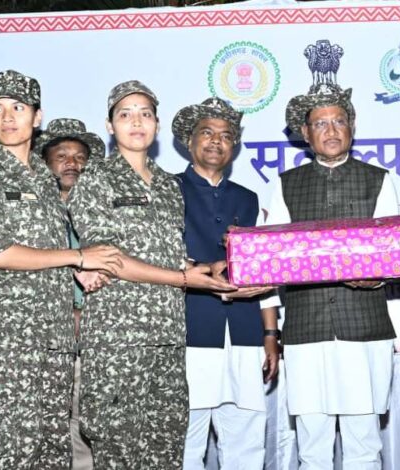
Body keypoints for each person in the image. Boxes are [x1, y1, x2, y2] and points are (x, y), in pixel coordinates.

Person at [69, 80, 234, 468]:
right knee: (118, 451)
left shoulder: (168, 185)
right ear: (110, 126)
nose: (136, 122)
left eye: (145, 114)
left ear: (157, 125)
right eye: (125, 114)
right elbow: (108, 259)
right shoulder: (95, 179)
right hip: (117, 341)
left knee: (166, 449)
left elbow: (168, 257)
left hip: (168, 338)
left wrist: (203, 269)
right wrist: (184, 280)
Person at [265, 79, 399, 469]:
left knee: (364, 445)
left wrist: (378, 277)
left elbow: (395, 253)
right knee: (312, 446)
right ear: (306, 134)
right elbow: (273, 258)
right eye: (320, 124)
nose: (331, 130)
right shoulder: (286, 185)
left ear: (352, 127)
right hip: (306, 330)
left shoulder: (379, 179)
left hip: (365, 328)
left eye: (339, 121)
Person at [0, 70, 122, 467]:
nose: (7, 117)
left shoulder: (45, 180)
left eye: (18, 108)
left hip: (56, 337)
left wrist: (79, 270)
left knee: (53, 448)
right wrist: (76, 257)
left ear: (37, 117)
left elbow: (47, 248)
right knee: (11, 448)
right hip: (8, 341)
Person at [172, 97, 280, 469]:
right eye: (207, 133)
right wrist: (198, 269)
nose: (217, 141)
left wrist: (270, 335)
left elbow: (266, 273)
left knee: (246, 443)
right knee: (185, 445)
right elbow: (153, 256)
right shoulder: (166, 191)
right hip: (190, 333)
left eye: (226, 135)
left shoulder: (248, 199)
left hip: (245, 334)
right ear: (189, 141)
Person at [35, 117, 109, 470]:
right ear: (44, 162)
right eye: (62, 156)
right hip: (43, 341)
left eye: (80, 157)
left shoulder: (106, 213)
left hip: (96, 342)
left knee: (88, 431)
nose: (72, 163)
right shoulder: (31, 213)